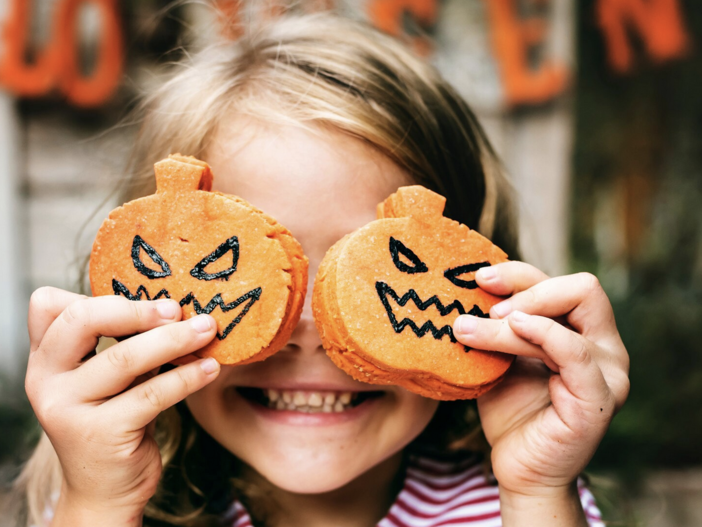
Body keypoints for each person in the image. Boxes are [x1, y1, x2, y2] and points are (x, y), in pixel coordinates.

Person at [11, 13, 629, 527]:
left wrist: (540, 490)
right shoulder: (106, 497)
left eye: (357, 277)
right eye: (248, 271)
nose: (308, 329)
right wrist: (97, 503)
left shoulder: (517, 500)